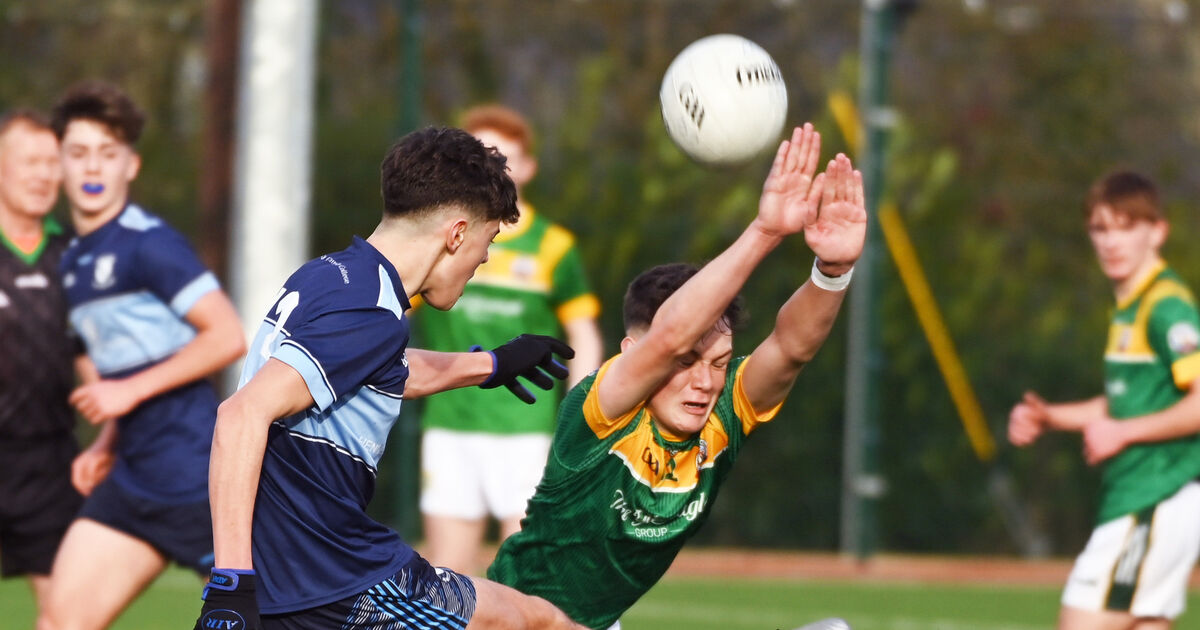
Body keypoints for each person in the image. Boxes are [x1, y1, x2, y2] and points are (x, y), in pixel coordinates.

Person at [193, 125, 588, 630]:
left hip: (300, 581)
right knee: (539, 622)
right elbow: (240, 414)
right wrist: (230, 585)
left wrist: (489, 365)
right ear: (457, 233)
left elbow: (371, 370)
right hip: (339, 582)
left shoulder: (332, 276)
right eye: (488, 239)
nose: (485, 258)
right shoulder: (369, 312)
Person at [488, 124, 867, 630]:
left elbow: (790, 349)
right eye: (686, 363)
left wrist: (832, 272)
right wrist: (765, 232)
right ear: (631, 354)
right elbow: (669, 337)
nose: (704, 382)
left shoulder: (724, 414)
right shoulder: (602, 410)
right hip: (515, 623)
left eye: (719, 363)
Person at [40, 80, 247, 630]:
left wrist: (126, 393)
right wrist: (107, 441)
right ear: (59, 163)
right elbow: (126, 363)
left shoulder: (149, 244)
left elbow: (227, 336)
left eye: (108, 154)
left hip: (195, 477)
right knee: (59, 621)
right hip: (133, 480)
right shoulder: (73, 260)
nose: (93, 167)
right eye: (78, 152)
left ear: (130, 166)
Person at [415, 104, 604, 574]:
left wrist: (578, 412)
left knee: (525, 571)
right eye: (483, 155)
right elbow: (391, 308)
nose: (496, 166)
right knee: (447, 572)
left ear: (530, 167)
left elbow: (583, 333)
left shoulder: (553, 245)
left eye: (507, 157)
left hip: (526, 431)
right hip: (450, 423)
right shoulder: (441, 238)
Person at [1008, 170, 1200, 630]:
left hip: (1155, 497)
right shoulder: (1130, 307)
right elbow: (1126, 404)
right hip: (1148, 500)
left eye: (1126, 227)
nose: (1111, 241)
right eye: (1100, 228)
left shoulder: (1166, 307)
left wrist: (1123, 433)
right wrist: (1051, 417)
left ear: (1157, 231)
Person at [0, 108, 80, 621]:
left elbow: (97, 359)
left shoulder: (75, 256)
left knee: (66, 614)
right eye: (30, 162)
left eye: (53, 163)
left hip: (49, 465)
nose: (44, 175)